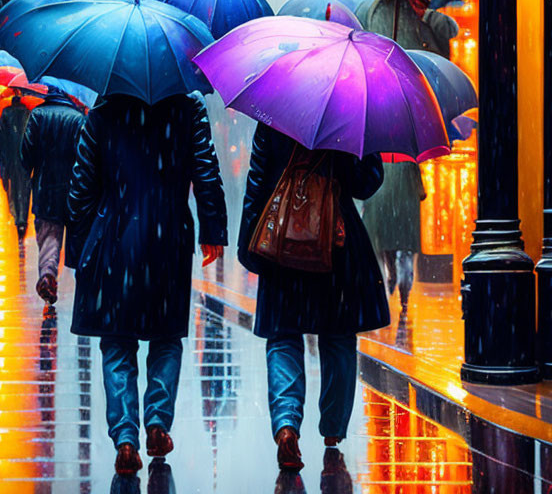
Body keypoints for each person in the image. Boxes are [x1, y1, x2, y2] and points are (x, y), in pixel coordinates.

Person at [67, 92, 228, 477]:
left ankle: (125, 437)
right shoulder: (188, 109)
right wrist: (213, 227)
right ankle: (156, 422)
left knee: (118, 341)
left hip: (114, 238)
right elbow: (206, 170)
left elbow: (79, 190)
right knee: (166, 337)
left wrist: (87, 241)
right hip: (168, 239)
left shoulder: (103, 113)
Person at [238, 123, 388, 473]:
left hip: (283, 246)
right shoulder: (350, 117)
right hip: (335, 246)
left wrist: (250, 241)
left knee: (283, 337)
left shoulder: (275, 115)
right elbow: (365, 184)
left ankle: (287, 425)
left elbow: (257, 181)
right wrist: (361, 144)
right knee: (337, 338)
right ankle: (333, 431)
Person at [363, 0, 460, 310]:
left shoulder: (380, 131)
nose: (418, 10)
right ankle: (399, 290)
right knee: (400, 249)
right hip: (398, 202)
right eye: (415, 5)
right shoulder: (402, 129)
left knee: (392, 249)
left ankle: (396, 287)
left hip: (386, 202)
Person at [20, 88, 85, 305]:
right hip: (73, 189)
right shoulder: (78, 119)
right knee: (77, 237)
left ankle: (48, 273)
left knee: (49, 236)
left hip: (44, 187)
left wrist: (33, 168)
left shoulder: (38, 115)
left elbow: (25, 154)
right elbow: (85, 157)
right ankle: (83, 283)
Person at [0, 95, 32, 238]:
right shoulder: (28, 113)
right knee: (24, 188)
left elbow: (1, 138)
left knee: (13, 187)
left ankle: (17, 216)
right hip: (25, 158)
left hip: (11, 157)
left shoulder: (6, 113)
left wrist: (1, 159)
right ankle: (23, 217)